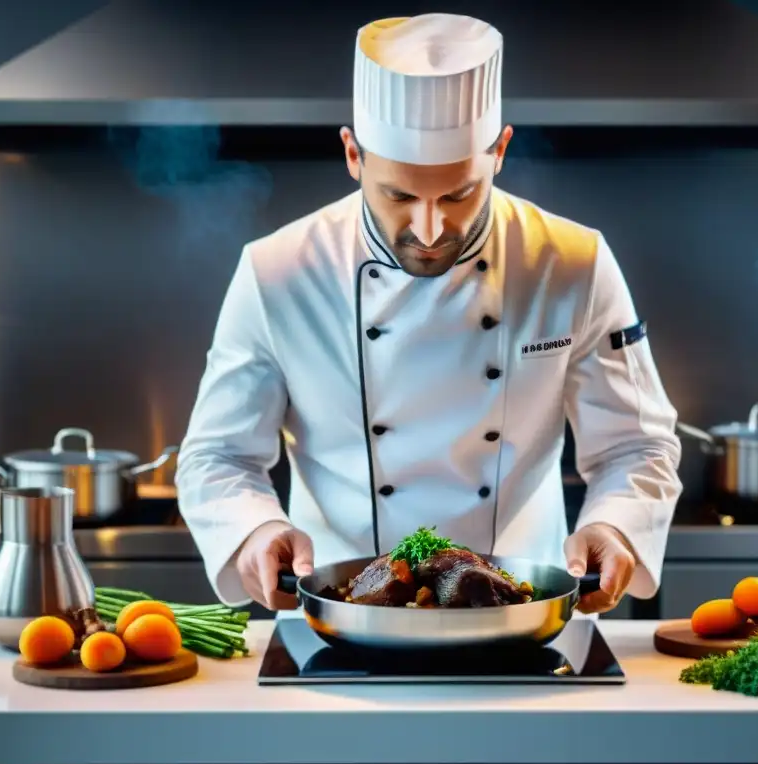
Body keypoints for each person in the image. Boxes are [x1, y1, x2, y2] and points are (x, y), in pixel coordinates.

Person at [175, 12, 682, 615]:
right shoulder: (277, 272)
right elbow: (218, 455)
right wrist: (254, 530)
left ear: (500, 150)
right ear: (352, 155)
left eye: (459, 194)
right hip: (341, 620)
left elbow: (637, 444)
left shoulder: (573, 262)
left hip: (525, 618)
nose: (430, 228)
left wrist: (617, 527)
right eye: (399, 196)